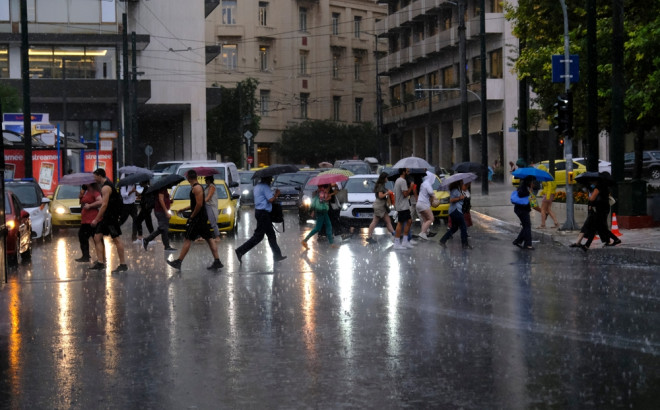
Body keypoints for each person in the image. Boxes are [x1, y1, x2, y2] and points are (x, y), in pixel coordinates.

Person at [167, 170, 223, 270]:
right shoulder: (197, 187)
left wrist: (192, 216)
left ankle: (178, 262)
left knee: (187, 239)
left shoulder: (197, 188)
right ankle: (217, 261)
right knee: (209, 239)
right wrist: (184, 209)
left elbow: (199, 204)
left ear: (189, 178)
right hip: (202, 218)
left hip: (198, 219)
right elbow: (196, 204)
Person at [234, 175, 287, 263]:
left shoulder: (257, 186)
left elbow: (264, 198)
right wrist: (277, 195)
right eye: (270, 178)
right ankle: (240, 251)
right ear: (266, 178)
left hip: (259, 212)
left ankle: (277, 255)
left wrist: (273, 195)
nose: (271, 180)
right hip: (263, 214)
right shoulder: (265, 187)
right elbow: (270, 200)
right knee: (258, 236)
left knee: (271, 235)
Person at [90, 168, 128, 273]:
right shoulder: (106, 185)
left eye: (94, 176)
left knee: (116, 239)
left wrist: (96, 219)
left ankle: (123, 264)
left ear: (99, 175)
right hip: (107, 217)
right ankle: (100, 262)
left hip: (111, 217)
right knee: (97, 237)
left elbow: (104, 205)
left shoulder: (106, 187)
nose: (94, 178)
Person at [302, 184, 338, 249]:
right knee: (318, 228)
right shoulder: (321, 192)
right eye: (328, 187)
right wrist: (331, 195)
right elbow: (322, 201)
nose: (328, 188)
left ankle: (331, 243)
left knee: (328, 225)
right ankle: (305, 240)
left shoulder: (322, 192)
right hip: (321, 212)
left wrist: (331, 194)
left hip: (324, 212)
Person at [439, 180, 472, 249]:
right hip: (456, 211)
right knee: (463, 227)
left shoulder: (458, 190)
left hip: (454, 211)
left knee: (454, 228)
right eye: (461, 182)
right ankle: (464, 244)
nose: (463, 184)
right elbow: (451, 200)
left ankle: (442, 240)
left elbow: (465, 191)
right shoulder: (455, 190)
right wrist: (460, 198)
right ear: (458, 183)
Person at [142, 184, 176, 252]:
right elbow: (161, 200)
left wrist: (169, 201)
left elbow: (163, 199)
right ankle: (147, 240)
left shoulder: (164, 189)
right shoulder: (162, 189)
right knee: (163, 228)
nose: (171, 185)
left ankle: (166, 246)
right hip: (161, 212)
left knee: (163, 229)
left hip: (161, 211)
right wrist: (166, 211)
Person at [366, 172, 396, 243]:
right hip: (379, 205)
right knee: (375, 221)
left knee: (388, 221)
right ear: (384, 178)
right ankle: (369, 237)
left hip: (382, 206)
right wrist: (387, 193)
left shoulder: (381, 185)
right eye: (386, 177)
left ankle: (394, 234)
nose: (387, 179)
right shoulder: (380, 186)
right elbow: (380, 196)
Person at [75, 183, 102, 262]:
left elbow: (100, 201)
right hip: (85, 220)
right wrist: (81, 195)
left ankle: (101, 258)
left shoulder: (95, 192)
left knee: (96, 239)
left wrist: (90, 206)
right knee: (82, 237)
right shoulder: (86, 192)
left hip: (92, 219)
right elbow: (82, 203)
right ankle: (86, 256)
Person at [393, 168, 415, 250]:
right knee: (400, 223)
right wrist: (411, 187)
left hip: (402, 205)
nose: (408, 172)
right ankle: (397, 242)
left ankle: (405, 241)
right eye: (407, 171)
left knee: (409, 221)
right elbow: (405, 194)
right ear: (403, 172)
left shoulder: (398, 180)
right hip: (402, 206)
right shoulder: (402, 181)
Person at [512, 176, 534, 250]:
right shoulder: (526, 190)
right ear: (529, 182)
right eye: (532, 182)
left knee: (526, 225)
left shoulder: (522, 187)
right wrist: (530, 191)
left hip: (519, 210)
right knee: (527, 226)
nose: (533, 183)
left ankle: (518, 241)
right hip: (522, 210)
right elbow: (532, 202)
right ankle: (528, 244)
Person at [415, 171, 436, 240]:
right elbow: (431, 192)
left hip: (419, 204)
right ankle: (422, 233)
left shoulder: (423, 184)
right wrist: (435, 197)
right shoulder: (427, 184)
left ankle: (423, 234)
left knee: (425, 220)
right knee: (431, 218)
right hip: (424, 204)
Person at [203, 175, 220, 241]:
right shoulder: (207, 187)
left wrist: (202, 202)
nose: (205, 181)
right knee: (203, 221)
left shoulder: (212, 187)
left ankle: (217, 236)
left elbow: (209, 196)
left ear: (209, 180)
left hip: (211, 206)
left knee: (212, 221)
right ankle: (204, 236)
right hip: (206, 205)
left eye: (206, 180)